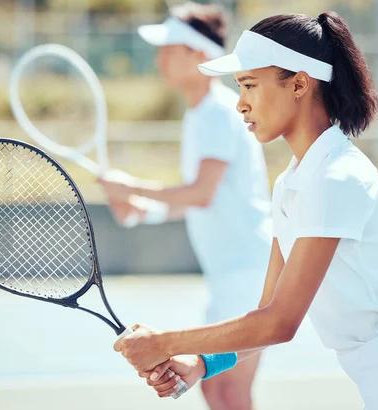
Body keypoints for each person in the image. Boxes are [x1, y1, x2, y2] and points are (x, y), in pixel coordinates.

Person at [113, 12, 378, 410]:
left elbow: (280, 323)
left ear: (299, 83)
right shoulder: (291, 184)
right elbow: (264, 316)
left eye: (250, 85)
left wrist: (165, 342)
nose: (241, 104)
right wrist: (200, 364)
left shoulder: (337, 177)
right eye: (238, 87)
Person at [98, 3, 272, 409]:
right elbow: (203, 201)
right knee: (214, 388)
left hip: (248, 276)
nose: (160, 59)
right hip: (229, 276)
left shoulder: (218, 113)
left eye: (170, 48)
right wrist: (144, 209)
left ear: (198, 55)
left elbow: (200, 193)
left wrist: (130, 186)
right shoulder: (198, 116)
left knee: (230, 390)